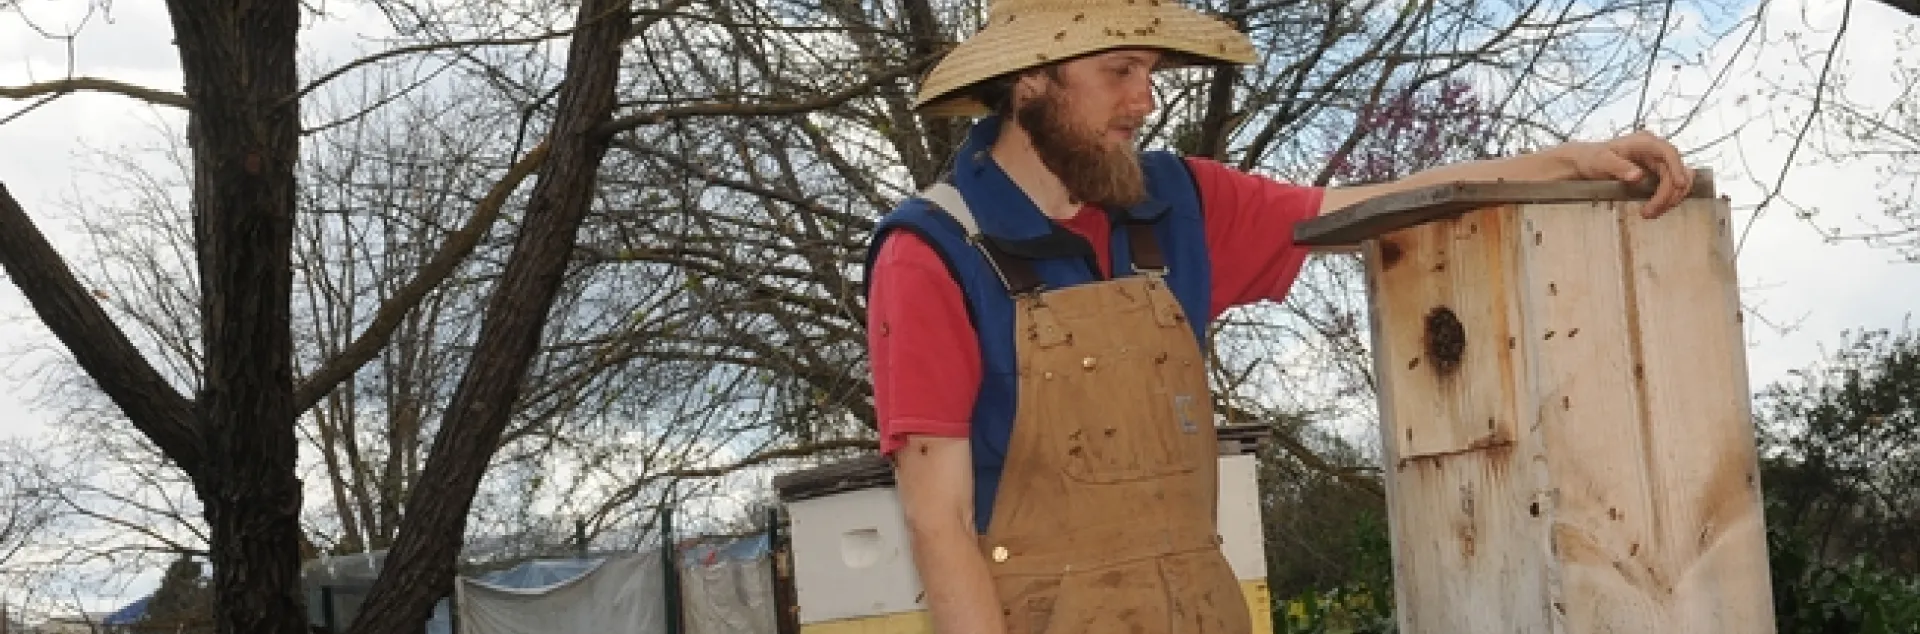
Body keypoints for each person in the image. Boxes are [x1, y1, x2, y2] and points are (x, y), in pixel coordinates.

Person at [861, 0, 1697, 632]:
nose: (1145, 99)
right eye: (1120, 70)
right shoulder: (931, 253)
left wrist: (1563, 164)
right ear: (1030, 82)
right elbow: (938, 523)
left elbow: (1365, 206)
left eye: (1151, 72)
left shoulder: (1177, 201)